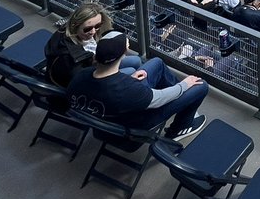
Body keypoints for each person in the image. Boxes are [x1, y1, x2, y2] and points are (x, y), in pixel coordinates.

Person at [66, 31, 207, 140]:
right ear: (124, 54)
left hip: (104, 124)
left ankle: (186, 104)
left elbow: (110, 84)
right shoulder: (128, 89)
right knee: (200, 86)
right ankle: (179, 128)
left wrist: (128, 78)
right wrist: (184, 85)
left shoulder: (82, 75)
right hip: (132, 128)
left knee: (156, 63)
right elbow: (160, 98)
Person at [45, 2, 142, 87]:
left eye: (97, 26)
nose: (93, 32)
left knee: (136, 60)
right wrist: (127, 79)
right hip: (85, 84)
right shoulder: (70, 58)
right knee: (131, 71)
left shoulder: (71, 31)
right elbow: (85, 83)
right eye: (87, 28)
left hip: (93, 67)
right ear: (75, 25)